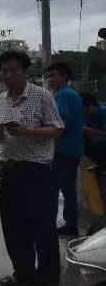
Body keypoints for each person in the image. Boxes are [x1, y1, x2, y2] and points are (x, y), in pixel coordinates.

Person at [0, 51, 64, 286]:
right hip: (7, 169)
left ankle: (47, 282)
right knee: (13, 226)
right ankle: (23, 273)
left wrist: (27, 131)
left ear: (25, 71)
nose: (8, 75)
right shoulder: (0, 99)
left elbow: (56, 130)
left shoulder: (42, 96)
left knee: (42, 227)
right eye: (4, 71)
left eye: (13, 70)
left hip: (36, 170)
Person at [46, 62, 85, 237]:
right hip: (74, 149)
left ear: (63, 76)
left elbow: (59, 125)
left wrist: (52, 151)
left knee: (51, 188)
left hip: (63, 151)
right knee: (69, 190)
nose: (49, 79)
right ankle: (71, 225)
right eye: (49, 76)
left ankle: (47, 225)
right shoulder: (70, 94)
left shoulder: (64, 95)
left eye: (53, 75)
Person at [80, 93, 106, 167]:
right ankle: (101, 164)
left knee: (99, 143)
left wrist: (93, 132)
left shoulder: (104, 112)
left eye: (83, 108)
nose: (82, 111)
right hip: (98, 139)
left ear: (91, 105)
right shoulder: (87, 116)